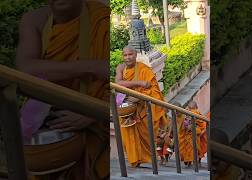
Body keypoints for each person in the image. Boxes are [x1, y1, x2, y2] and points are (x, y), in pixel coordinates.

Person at [15, 0, 109, 179]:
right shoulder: (34, 20)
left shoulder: (101, 18)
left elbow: (113, 82)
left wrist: (92, 112)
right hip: (49, 121)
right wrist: (90, 67)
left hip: (96, 124)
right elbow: (26, 69)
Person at [115, 45, 167, 167]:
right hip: (126, 105)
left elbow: (154, 90)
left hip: (142, 108)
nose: (127, 57)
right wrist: (139, 83)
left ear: (136, 55)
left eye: (130, 54)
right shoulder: (121, 67)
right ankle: (135, 159)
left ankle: (151, 158)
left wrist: (138, 96)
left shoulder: (144, 69)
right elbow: (118, 83)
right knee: (128, 133)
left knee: (147, 135)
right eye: (125, 55)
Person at [187, 100, 207, 166]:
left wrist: (201, 132)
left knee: (197, 147)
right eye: (190, 108)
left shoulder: (197, 114)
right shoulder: (189, 114)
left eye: (191, 108)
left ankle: (195, 161)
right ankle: (192, 160)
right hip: (193, 133)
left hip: (199, 133)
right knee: (193, 147)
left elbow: (203, 125)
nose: (191, 110)